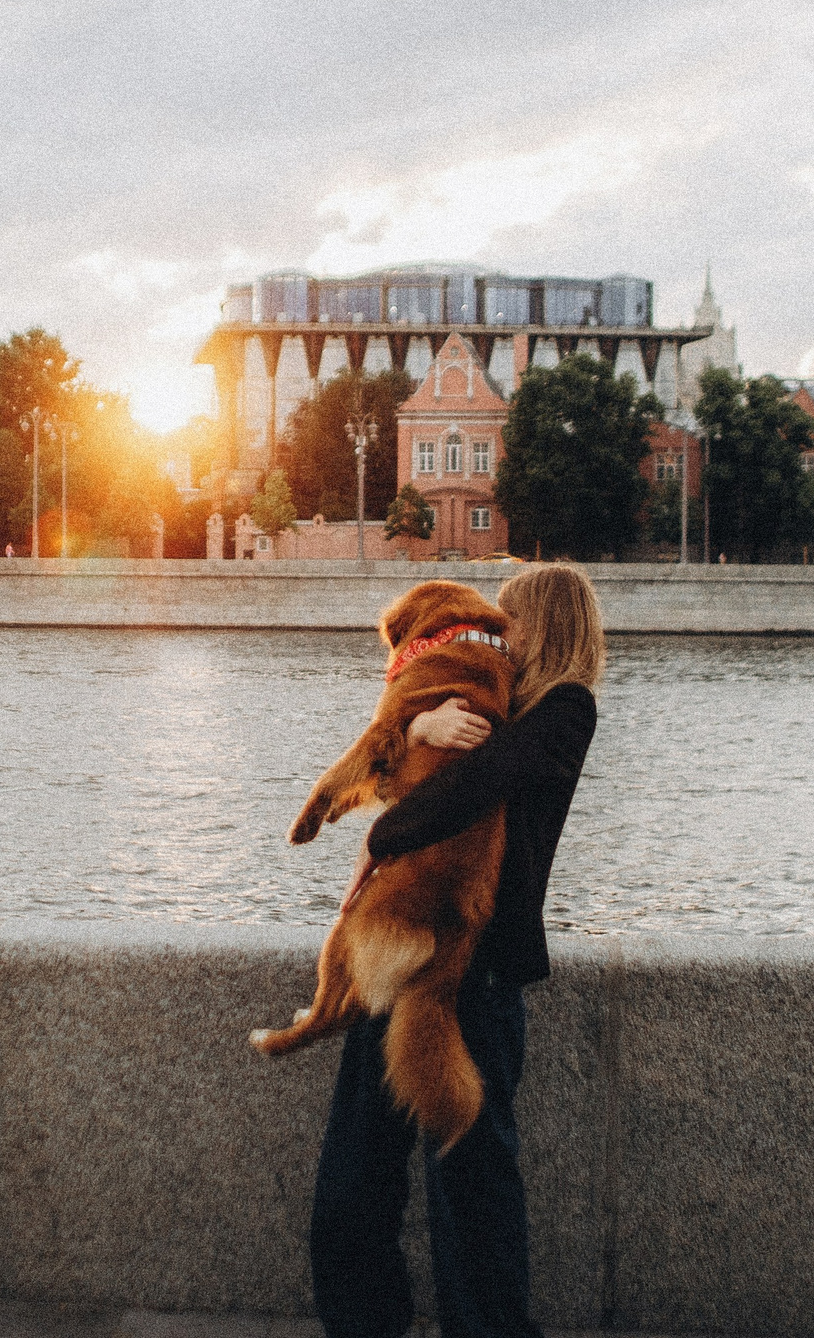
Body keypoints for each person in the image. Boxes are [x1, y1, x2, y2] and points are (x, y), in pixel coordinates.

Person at [308, 561, 603, 1338]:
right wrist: (414, 728)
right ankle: (364, 1322)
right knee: (358, 1170)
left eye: (508, 619)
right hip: (404, 956)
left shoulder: (564, 710)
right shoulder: (484, 701)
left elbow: (475, 786)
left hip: (478, 972)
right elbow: (403, 758)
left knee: (470, 1187)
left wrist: (382, 834)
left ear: (542, 624)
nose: (493, 631)